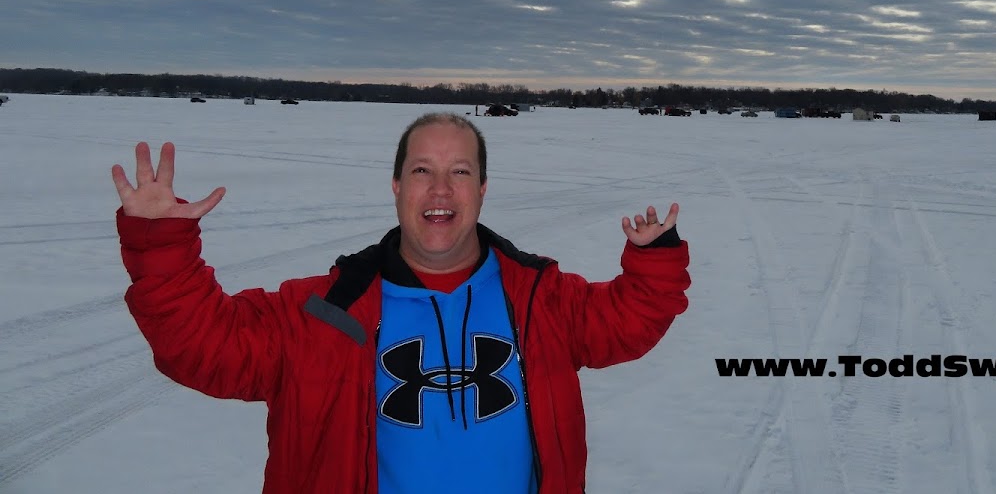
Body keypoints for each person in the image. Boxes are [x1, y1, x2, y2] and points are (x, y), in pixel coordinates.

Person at [111, 112, 691, 494]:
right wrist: (163, 248)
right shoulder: (324, 312)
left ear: (482, 190)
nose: (441, 189)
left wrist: (654, 260)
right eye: (422, 171)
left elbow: (625, 321)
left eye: (459, 172)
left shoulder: (542, 300)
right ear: (396, 187)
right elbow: (204, 346)